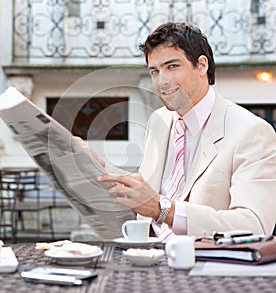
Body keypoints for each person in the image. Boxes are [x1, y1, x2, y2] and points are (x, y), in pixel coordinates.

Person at [97, 22, 276, 241]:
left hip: (206, 267)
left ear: (202, 65)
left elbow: (255, 225)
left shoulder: (252, 132)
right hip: (147, 259)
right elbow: (145, 201)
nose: (162, 81)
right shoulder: (158, 120)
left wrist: (164, 210)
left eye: (172, 66)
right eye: (155, 71)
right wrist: (97, 170)